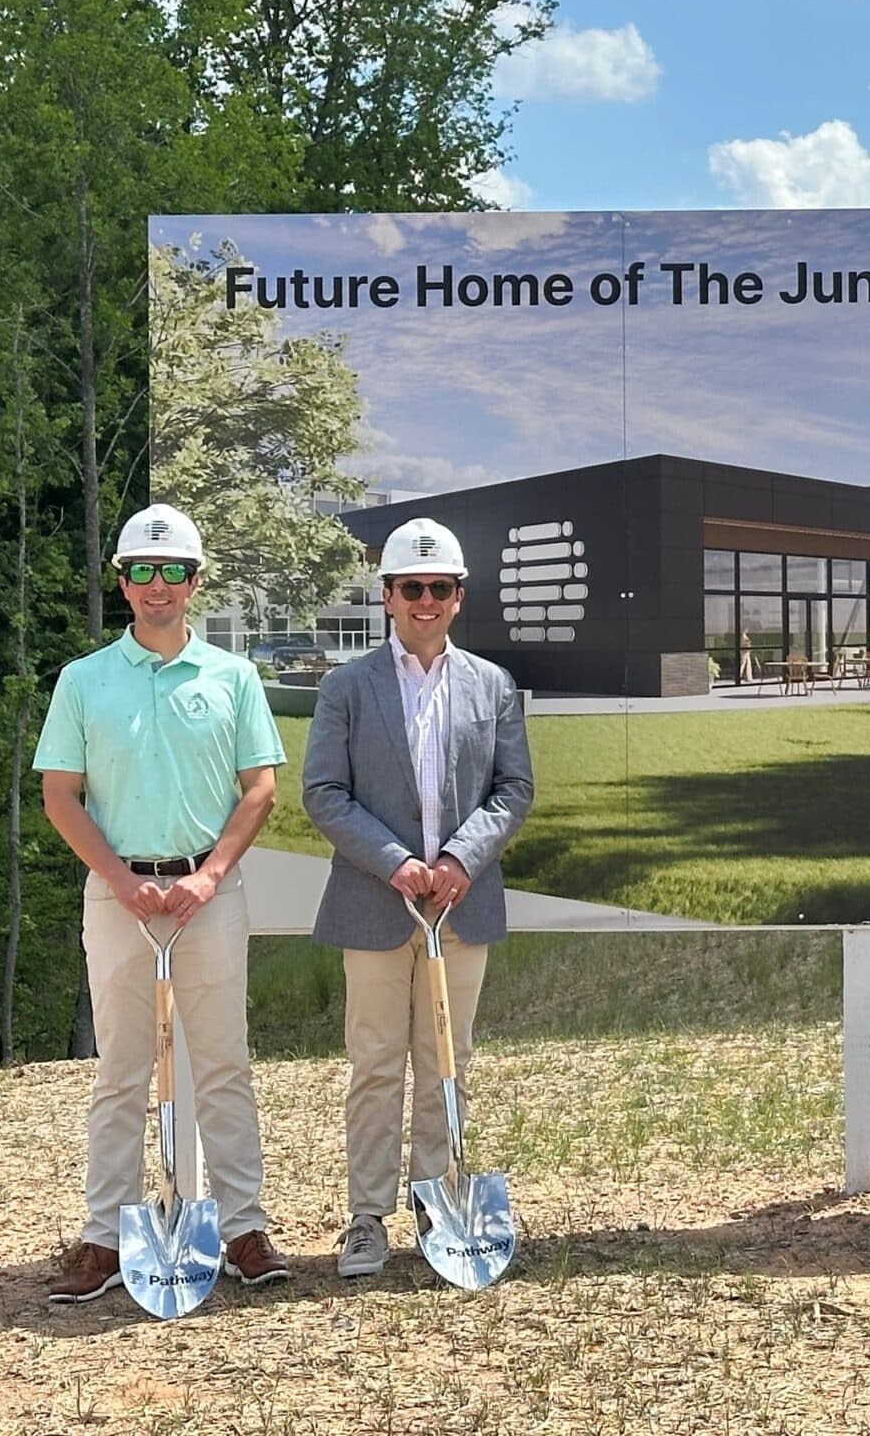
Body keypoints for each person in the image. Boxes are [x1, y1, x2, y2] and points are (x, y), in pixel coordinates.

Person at [35, 505, 291, 1302]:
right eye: (142, 571)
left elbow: (261, 790)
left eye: (173, 571)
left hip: (206, 895)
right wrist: (118, 879)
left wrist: (208, 876)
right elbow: (60, 796)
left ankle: (242, 1225)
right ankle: (105, 1236)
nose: (157, 586)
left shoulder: (233, 677)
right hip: (120, 896)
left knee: (221, 1063)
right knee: (122, 1068)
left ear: (196, 581)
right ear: (121, 581)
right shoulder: (83, 680)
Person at [302, 517, 535, 1277]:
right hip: (378, 905)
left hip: (460, 905)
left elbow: (514, 789)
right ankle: (366, 1217)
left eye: (440, 588)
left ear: (459, 597)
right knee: (374, 1062)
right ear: (387, 596)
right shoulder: (346, 686)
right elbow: (324, 794)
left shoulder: (492, 686)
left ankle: (439, 1202)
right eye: (412, 588)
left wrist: (463, 858)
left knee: (447, 1059)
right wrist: (397, 862)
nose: (425, 601)